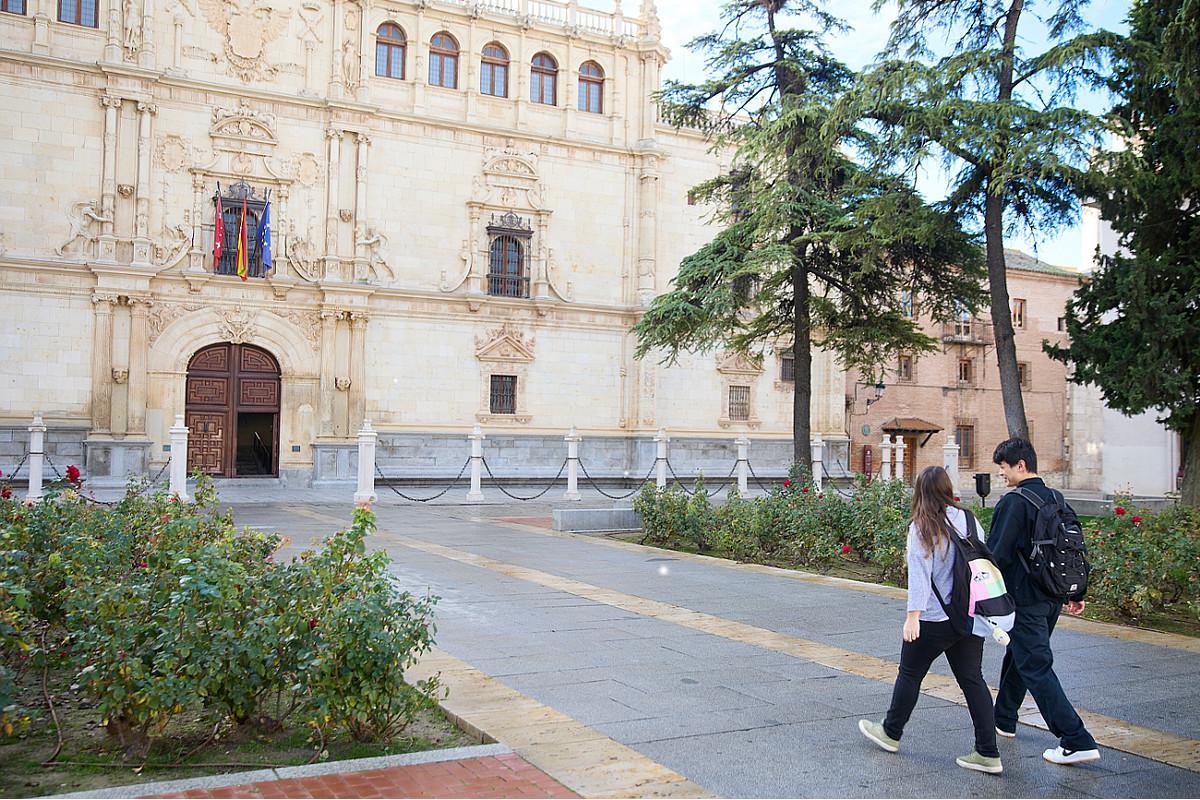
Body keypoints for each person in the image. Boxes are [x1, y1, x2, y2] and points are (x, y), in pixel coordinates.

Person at [858, 465, 1002, 774]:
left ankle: (890, 732)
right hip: (969, 616)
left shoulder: (922, 526)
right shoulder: (971, 520)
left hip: (935, 619)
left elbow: (921, 577)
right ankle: (988, 753)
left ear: (921, 492)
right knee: (972, 680)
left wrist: (913, 617)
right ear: (948, 490)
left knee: (910, 674)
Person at [987, 437, 1101, 765]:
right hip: (1051, 597)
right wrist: (1075, 593)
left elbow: (998, 555)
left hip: (1024, 599)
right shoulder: (1056, 498)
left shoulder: (1015, 502)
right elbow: (1072, 548)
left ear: (1020, 465)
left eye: (1004, 468)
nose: (1002, 475)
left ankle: (1075, 739)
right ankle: (1004, 718)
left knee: (1035, 665)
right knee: (1021, 656)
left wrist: (985, 597)